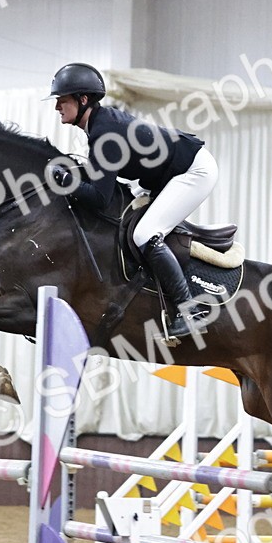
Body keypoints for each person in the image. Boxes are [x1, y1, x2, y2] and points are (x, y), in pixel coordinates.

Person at [48, 62, 216, 340]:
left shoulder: (104, 132)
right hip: (167, 174)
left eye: (62, 100)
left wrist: (66, 182)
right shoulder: (99, 125)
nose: (57, 107)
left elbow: (100, 198)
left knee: (145, 234)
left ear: (83, 99)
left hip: (193, 171)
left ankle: (191, 312)